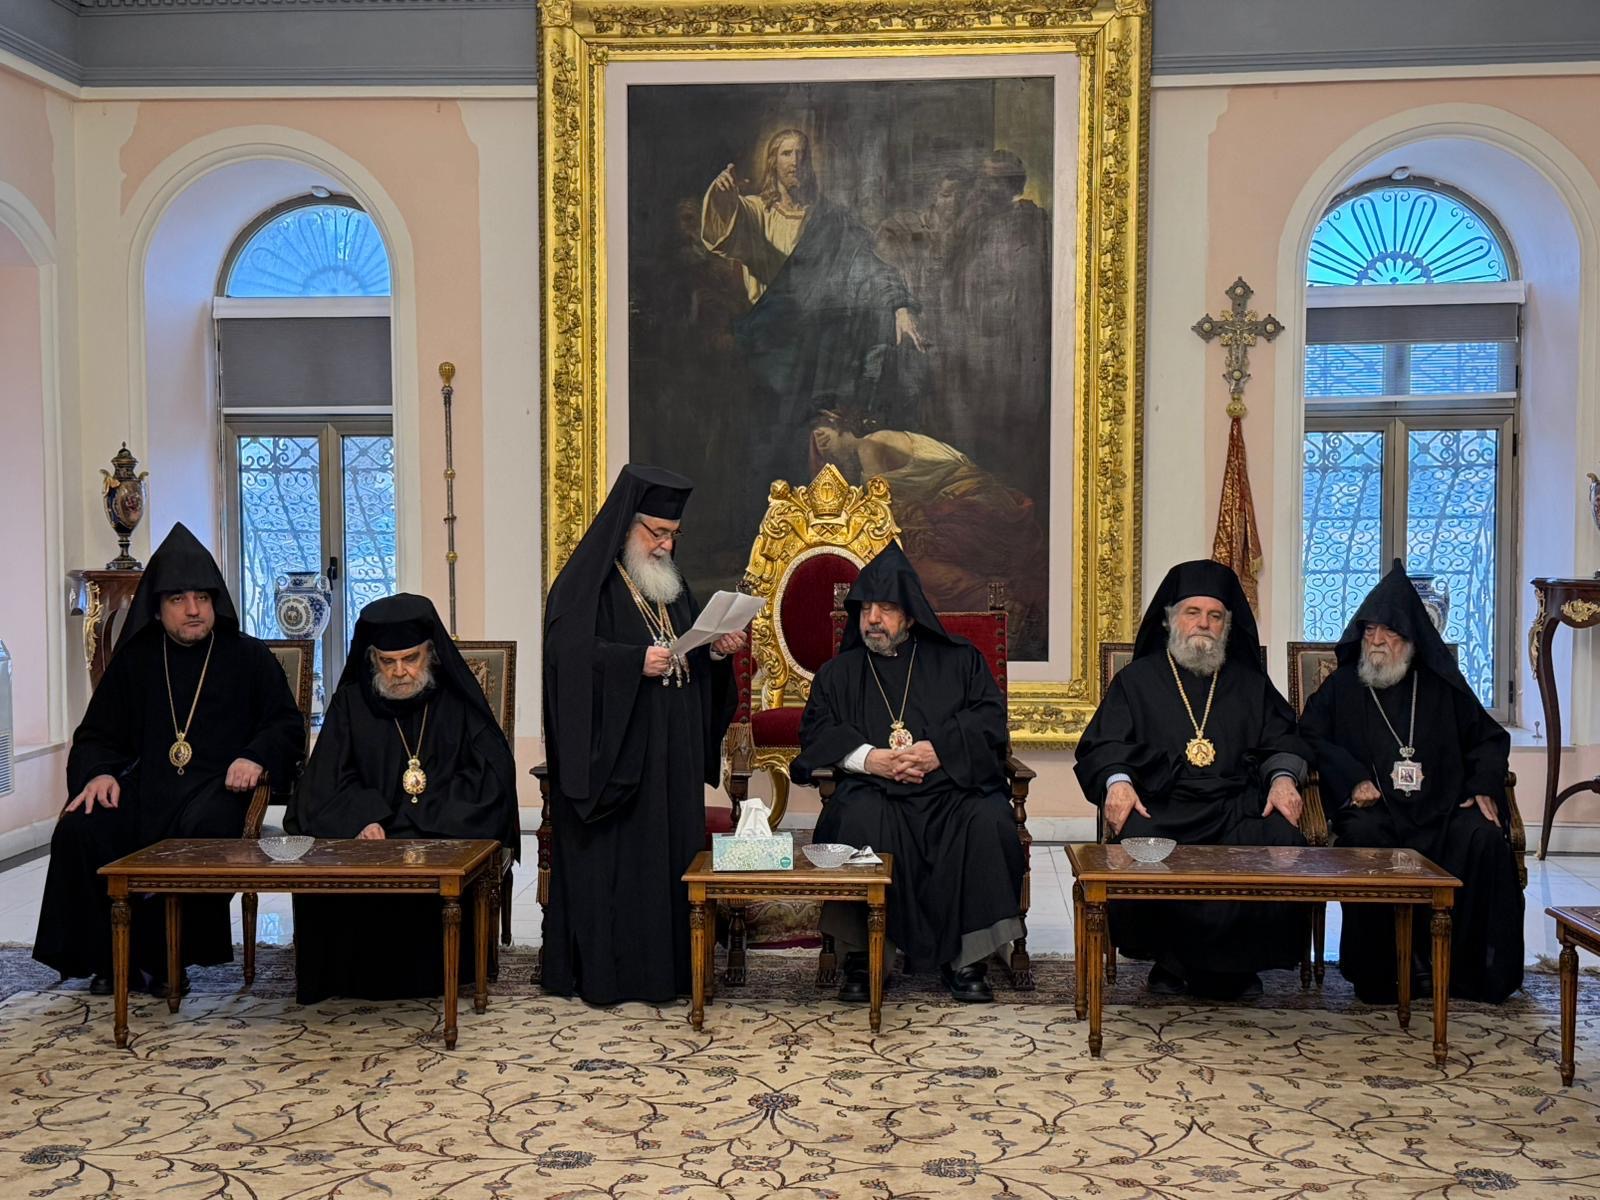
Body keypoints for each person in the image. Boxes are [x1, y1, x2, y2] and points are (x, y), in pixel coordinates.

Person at [34, 522, 303, 995]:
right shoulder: (135, 659)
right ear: (157, 608)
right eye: (179, 599)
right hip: (145, 785)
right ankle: (109, 957)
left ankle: (167, 960)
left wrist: (255, 756)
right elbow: (96, 733)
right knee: (83, 827)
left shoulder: (248, 657)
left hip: (219, 788)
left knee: (199, 832)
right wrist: (98, 773)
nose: (194, 609)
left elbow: (285, 725)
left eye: (202, 597)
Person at [540, 465, 744, 1005]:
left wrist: (716, 653)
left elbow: (688, 651)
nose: (666, 545)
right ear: (628, 524)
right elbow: (566, 657)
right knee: (622, 868)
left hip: (671, 754)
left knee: (669, 861)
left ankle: (670, 973)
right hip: (618, 758)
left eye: (673, 534)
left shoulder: (670, 588)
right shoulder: (586, 584)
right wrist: (633, 662)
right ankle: (612, 976)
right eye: (657, 532)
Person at [790, 543, 1024, 1003]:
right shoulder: (838, 674)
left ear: (911, 616)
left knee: (987, 818)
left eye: (886, 609)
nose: (873, 619)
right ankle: (864, 955)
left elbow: (990, 722)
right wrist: (868, 759)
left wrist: (940, 752)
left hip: (950, 789)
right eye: (865, 609)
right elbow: (816, 732)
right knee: (854, 817)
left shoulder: (960, 661)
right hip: (874, 791)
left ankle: (969, 957)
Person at [1074, 559, 1310, 1000]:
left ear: (1227, 626)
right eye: (1192, 612)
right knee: (1138, 838)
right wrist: (1118, 782)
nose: (1204, 623)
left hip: (1235, 805)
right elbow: (1104, 744)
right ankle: (1170, 959)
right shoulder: (1136, 681)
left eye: (1215, 615)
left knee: (1281, 838)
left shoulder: (1249, 683)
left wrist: (1282, 779)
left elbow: (1283, 738)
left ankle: (1240, 961)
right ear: (1169, 620)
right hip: (1164, 804)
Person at [1299, 561, 1522, 1003]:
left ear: (1412, 639)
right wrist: (1354, 779)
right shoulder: (1343, 685)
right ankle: (1381, 974)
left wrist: (1482, 784)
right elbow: (1309, 735)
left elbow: (1489, 738)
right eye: (1370, 630)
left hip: (1443, 809)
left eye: (1389, 631)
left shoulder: (1440, 685)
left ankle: (1466, 972)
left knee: (1483, 838)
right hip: (1377, 812)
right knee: (1364, 838)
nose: (1377, 641)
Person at [286, 593, 520, 1004]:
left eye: (410, 659)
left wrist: (422, 816)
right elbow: (323, 784)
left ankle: (444, 975)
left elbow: (491, 775)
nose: (399, 672)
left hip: (442, 831)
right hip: (371, 838)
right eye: (387, 662)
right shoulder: (351, 703)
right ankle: (348, 979)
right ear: (371, 659)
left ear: (430, 653)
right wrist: (363, 817)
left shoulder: (457, 703)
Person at [701, 127, 929, 444]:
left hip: (820, 354)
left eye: (802, 154)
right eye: (787, 153)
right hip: (770, 346)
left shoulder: (832, 220)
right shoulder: (755, 211)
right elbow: (719, 233)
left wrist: (900, 307)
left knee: (817, 441)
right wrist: (721, 196)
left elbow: (869, 267)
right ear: (772, 163)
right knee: (771, 441)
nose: (796, 161)